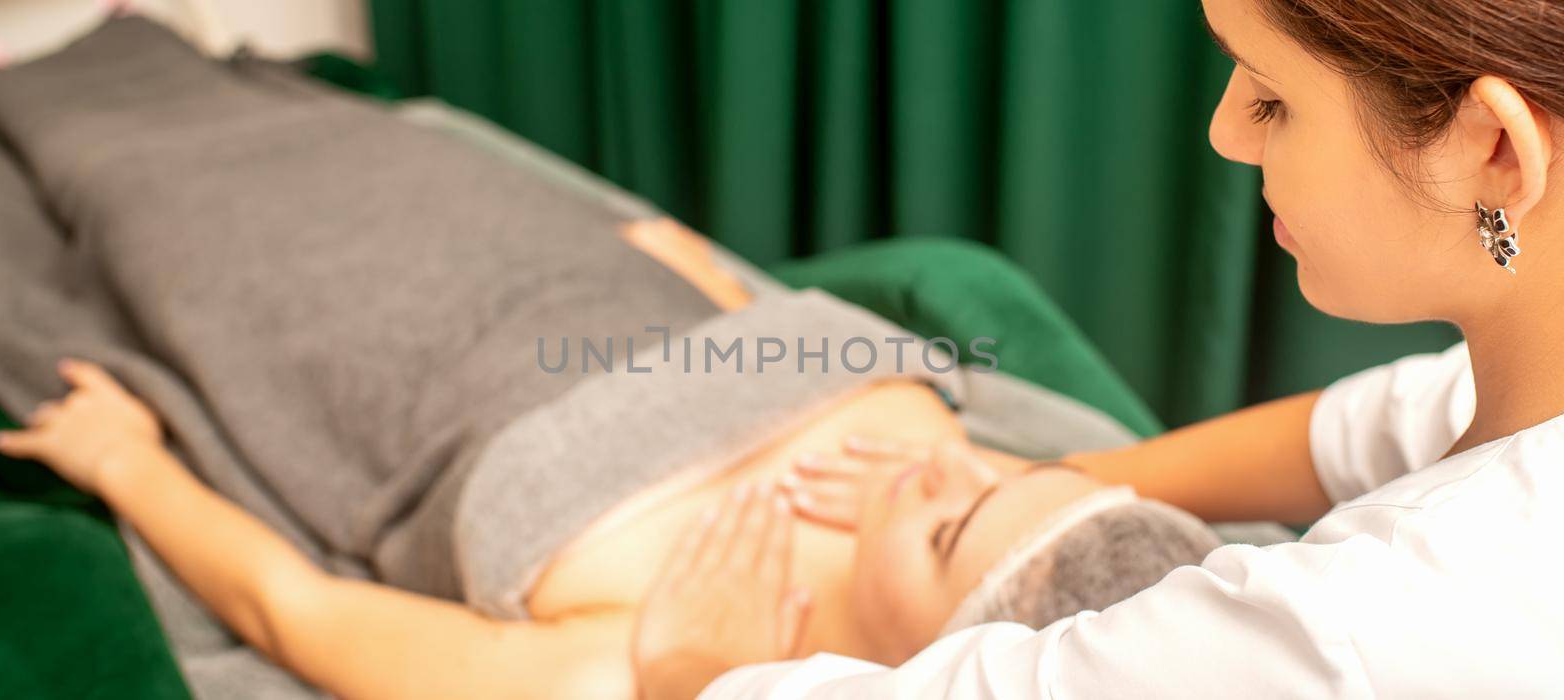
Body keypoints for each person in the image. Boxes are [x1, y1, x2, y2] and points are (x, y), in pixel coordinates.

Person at [0, 17, 1221, 699]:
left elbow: (293, 611)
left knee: (120, 170)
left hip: (328, 332)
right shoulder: (978, 497)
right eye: (997, 473)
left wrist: (131, 467)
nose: (942, 476)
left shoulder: (638, 661)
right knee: (282, 109)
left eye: (951, 528)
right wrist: (719, 282)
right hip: (547, 252)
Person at [631, 0, 1564, 696]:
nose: (1225, 133)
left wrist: (695, 666)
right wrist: (1051, 475)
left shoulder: (1386, 620)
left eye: (1273, 101)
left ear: (1495, 152)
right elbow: (1366, 427)